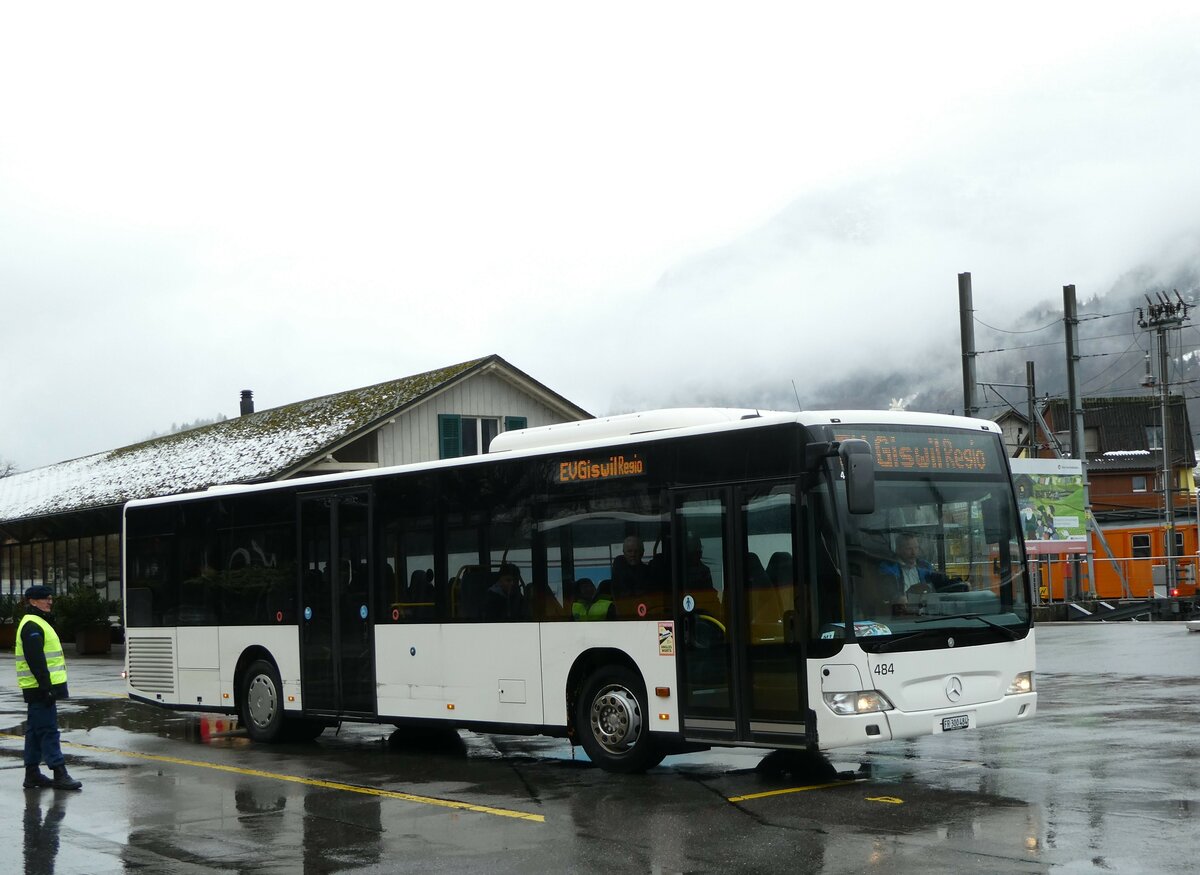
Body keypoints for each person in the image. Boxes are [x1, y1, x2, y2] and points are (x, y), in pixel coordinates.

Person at [15, 585, 82, 790]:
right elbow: (36, 661)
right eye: (45, 598)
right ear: (32, 601)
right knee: (48, 731)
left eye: (50, 598)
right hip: (41, 689)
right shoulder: (33, 625)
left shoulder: (37, 623)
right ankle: (59, 772)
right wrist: (47, 687)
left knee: (35, 732)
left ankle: (32, 774)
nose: (50, 601)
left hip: (39, 688)